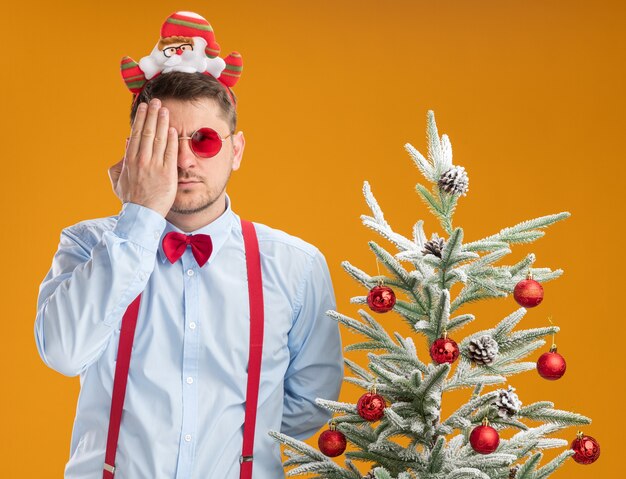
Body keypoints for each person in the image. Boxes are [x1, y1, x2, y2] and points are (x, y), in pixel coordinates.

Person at [34, 12, 343, 479]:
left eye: (203, 141)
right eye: (162, 142)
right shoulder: (88, 244)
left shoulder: (296, 267)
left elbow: (310, 405)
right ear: (137, 149)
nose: (182, 160)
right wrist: (139, 216)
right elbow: (62, 352)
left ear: (236, 150)